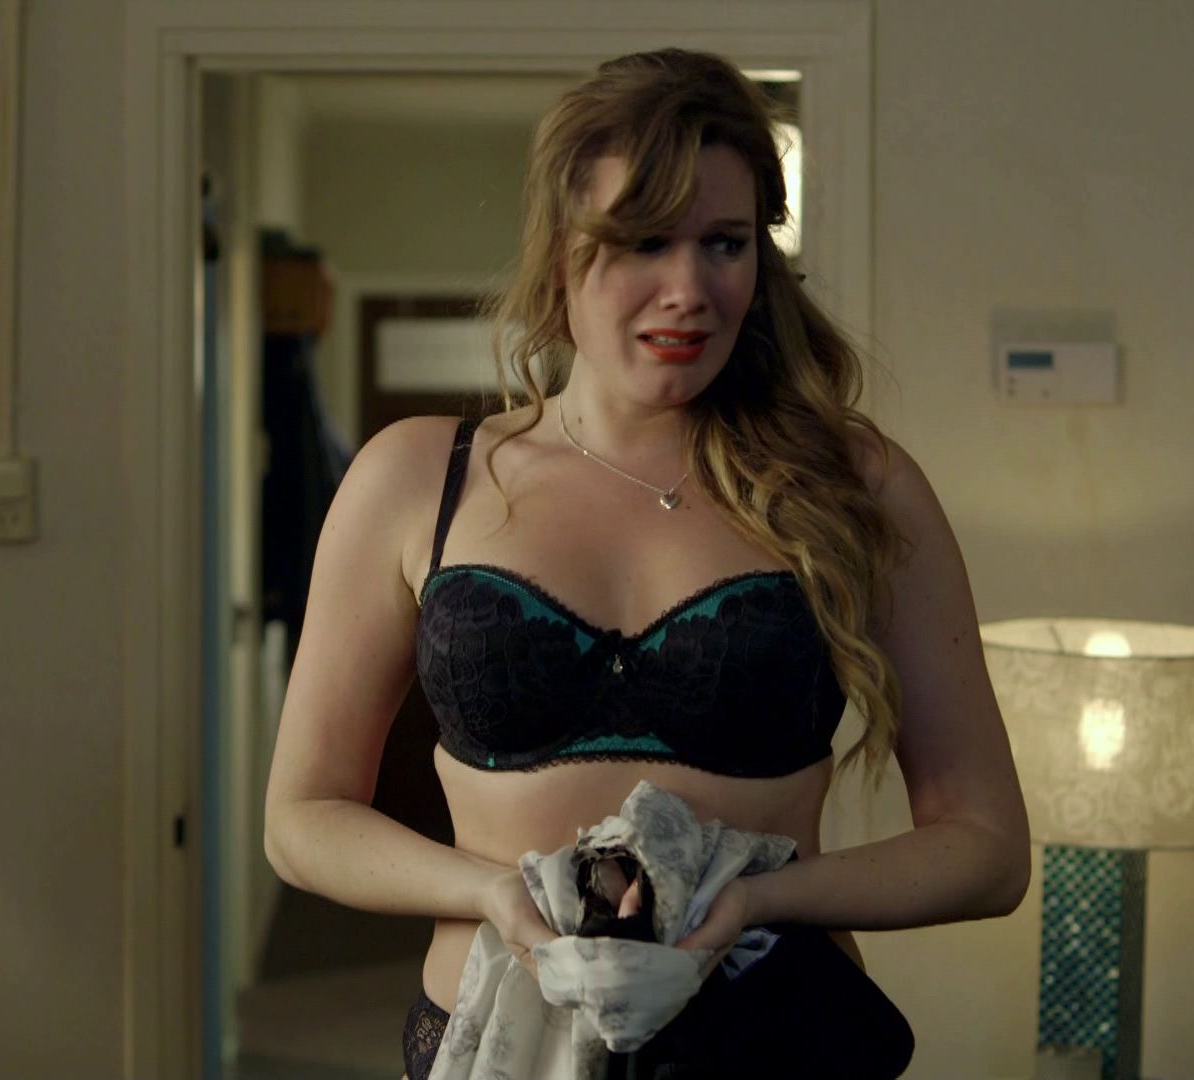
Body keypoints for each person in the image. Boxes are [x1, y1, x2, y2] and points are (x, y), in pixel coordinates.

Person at [263, 48, 1030, 1078]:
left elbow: (987, 848)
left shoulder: (856, 485)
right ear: (559, 252)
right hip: (496, 1048)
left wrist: (757, 898)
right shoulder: (417, 478)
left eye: (724, 243)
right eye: (644, 242)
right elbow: (302, 819)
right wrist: (486, 889)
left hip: (778, 1045)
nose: (688, 289)